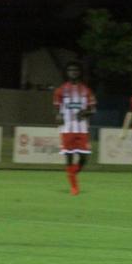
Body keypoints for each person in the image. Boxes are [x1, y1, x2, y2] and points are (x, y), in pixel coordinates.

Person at [53, 61, 96, 196]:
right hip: (67, 129)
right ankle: (74, 187)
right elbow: (57, 109)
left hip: (82, 128)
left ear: (79, 72)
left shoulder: (86, 90)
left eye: (76, 70)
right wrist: (58, 116)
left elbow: (93, 109)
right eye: (70, 70)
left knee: (84, 157)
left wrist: (86, 113)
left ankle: (72, 173)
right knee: (69, 157)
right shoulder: (60, 90)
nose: (73, 72)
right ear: (67, 73)